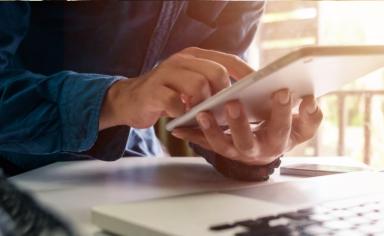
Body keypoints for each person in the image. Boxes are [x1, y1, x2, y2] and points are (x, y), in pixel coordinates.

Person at [0, 2, 322, 181]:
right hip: (16, 172)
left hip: (139, 170)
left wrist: (245, 146)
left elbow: (219, 100)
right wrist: (117, 99)